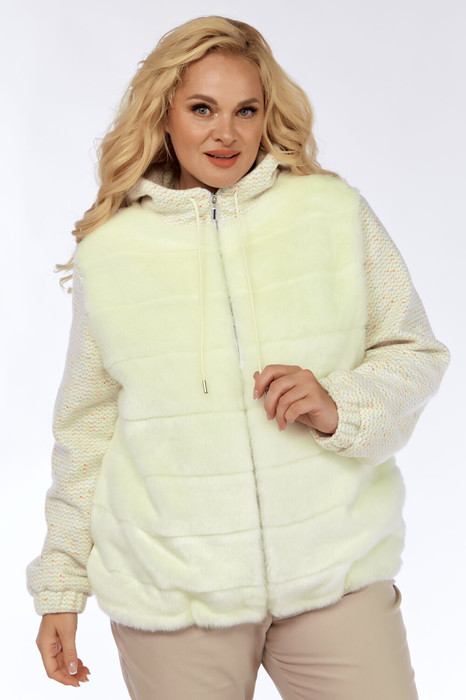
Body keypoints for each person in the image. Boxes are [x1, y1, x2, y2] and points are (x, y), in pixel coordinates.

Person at [27, 15, 450, 700]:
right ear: (164, 113)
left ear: (265, 115)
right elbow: (87, 430)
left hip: (333, 572)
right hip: (173, 592)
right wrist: (61, 587)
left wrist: (339, 405)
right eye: (203, 109)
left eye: (245, 110)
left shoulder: (332, 213)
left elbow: (415, 348)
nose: (225, 133)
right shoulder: (112, 253)